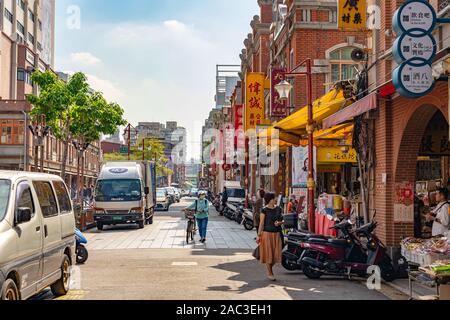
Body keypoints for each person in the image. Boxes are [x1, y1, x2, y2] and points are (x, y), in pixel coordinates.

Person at [257, 192, 284, 281]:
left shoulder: (278, 209)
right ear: (269, 200)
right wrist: (259, 235)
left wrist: (279, 223)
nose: (275, 199)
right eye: (273, 198)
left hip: (277, 234)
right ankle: (270, 272)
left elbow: (282, 220)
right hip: (267, 234)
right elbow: (261, 223)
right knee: (269, 254)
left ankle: (269, 269)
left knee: (276, 255)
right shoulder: (264, 210)